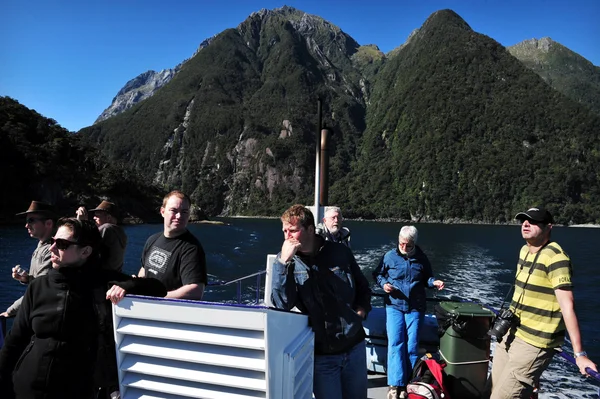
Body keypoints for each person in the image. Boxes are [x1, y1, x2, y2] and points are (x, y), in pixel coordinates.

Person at [0, 218, 167, 399]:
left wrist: (129, 286)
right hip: (26, 387)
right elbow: (14, 340)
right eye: (52, 241)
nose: (51, 249)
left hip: (75, 390)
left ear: (85, 251)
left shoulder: (101, 284)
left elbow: (158, 288)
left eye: (62, 244)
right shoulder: (39, 286)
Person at [489, 207, 598, 399]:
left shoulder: (557, 258)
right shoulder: (524, 251)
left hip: (534, 343)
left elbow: (567, 306)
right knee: (490, 391)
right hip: (511, 333)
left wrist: (579, 354)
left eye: (533, 221)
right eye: (523, 220)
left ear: (549, 227)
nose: (525, 224)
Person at [271, 204, 372, 399]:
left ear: (310, 229)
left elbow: (363, 287)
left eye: (293, 230)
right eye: (284, 231)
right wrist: (283, 264)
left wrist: (361, 311)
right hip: (322, 355)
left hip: (354, 346)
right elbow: (282, 303)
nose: (287, 236)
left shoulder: (339, 253)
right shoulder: (286, 262)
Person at [372, 226, 445, 399]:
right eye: (402, 244)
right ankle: (394, 385)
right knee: (396, 343)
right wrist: (384, 285)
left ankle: (409, 384)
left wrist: (434, 282)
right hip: (394, 306)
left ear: (414, 243)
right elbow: (377, 274)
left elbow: (427, 278)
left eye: (408, 245)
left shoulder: (421, 258)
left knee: (412, 347)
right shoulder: (389, 256)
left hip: (415, 307)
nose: (404, 248)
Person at [138, 190, 207, 299]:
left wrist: (155, 297)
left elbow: (195, 291)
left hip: (169, 312)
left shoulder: (191, 248)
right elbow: (144, 269)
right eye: (174, 210)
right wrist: (135, 284)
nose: (179, 216)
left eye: (184, 212)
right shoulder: (152, 240)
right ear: (162, 211)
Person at [1, 201, 57, 318]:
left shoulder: (52, 250)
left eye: (31, 221)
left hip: (45, 314)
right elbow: (40, 282)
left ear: (48, 223)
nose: (26, 225)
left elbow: (39, 289)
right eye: (26, 221)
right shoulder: (41, 245)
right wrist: (27, 279)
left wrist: (11, 311)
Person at [76, 200, 128, 272]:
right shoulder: (119, 232)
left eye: (97, 215)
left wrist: (81, 222)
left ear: (108, 218)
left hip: (101, 276)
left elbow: (83, 243)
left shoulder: (106, 228)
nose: (94, 218)